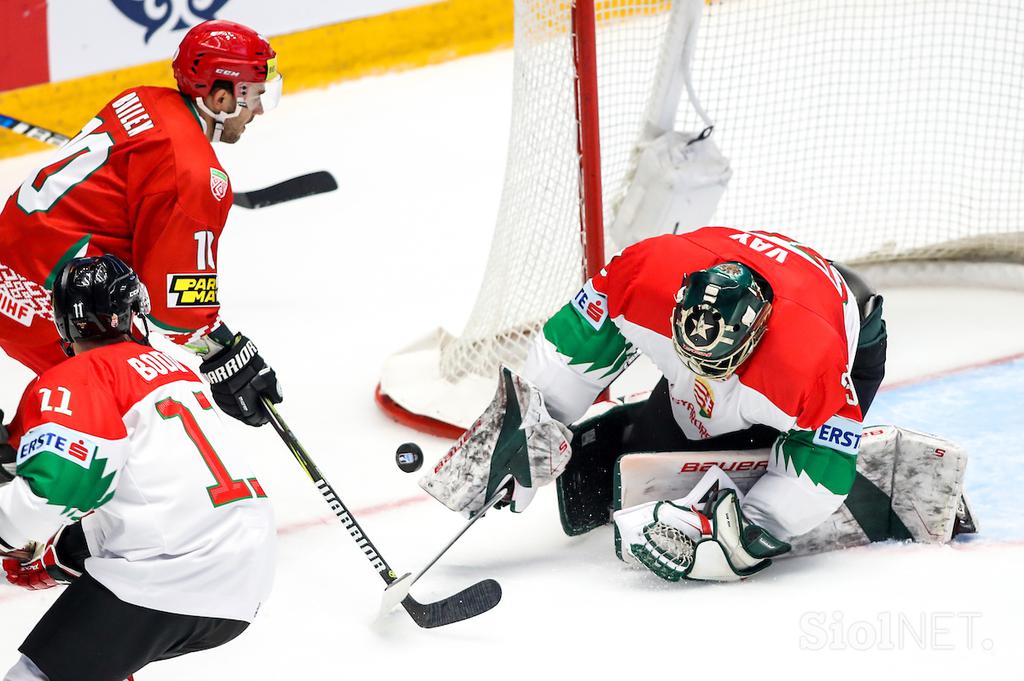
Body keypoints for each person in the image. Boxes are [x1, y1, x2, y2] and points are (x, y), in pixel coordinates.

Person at [418, 225, 898, 582]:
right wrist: (529, 422)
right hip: (753, 290)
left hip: (848, 322)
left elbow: (824, 469)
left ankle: (769, 441)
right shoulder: (641, 274)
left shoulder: (806, 367)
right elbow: (570, 352)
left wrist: (748, 529)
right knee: (659, 440)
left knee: (800, 442)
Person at [0, 255, 275, 681]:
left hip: (170, 578)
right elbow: (153, 493)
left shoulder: (77, 377)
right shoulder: (177, 373)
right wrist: (60, 555)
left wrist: (7, 535)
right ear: (134, 313)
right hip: (246, 580)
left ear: (63, 326)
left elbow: (63, 489)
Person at [0, 19, 283, 427]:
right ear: (221, 98)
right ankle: (21, 459)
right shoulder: (195, 176)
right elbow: (178, 309)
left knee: (103, 404)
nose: (258, 110)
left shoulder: (142, 98)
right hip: (53, 299)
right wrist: (224, 351)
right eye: (255, 96)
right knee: (133, 413)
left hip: (13, 263)